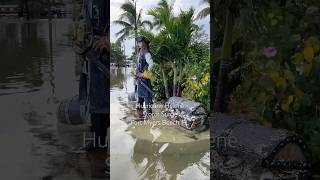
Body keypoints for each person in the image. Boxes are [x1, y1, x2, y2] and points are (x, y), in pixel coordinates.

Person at [135, 36, 154, 118]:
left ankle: (149, 117)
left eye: (140, 42)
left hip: (144, 81)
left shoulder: (147, 53)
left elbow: (152, 64)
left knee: (147, 99)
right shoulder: (140, 52)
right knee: (139, 99)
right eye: (138, 42)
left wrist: (145, 74)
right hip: (139, 81)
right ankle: (140, 117)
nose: (138, 44)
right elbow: (138, 65)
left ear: (144, 43)